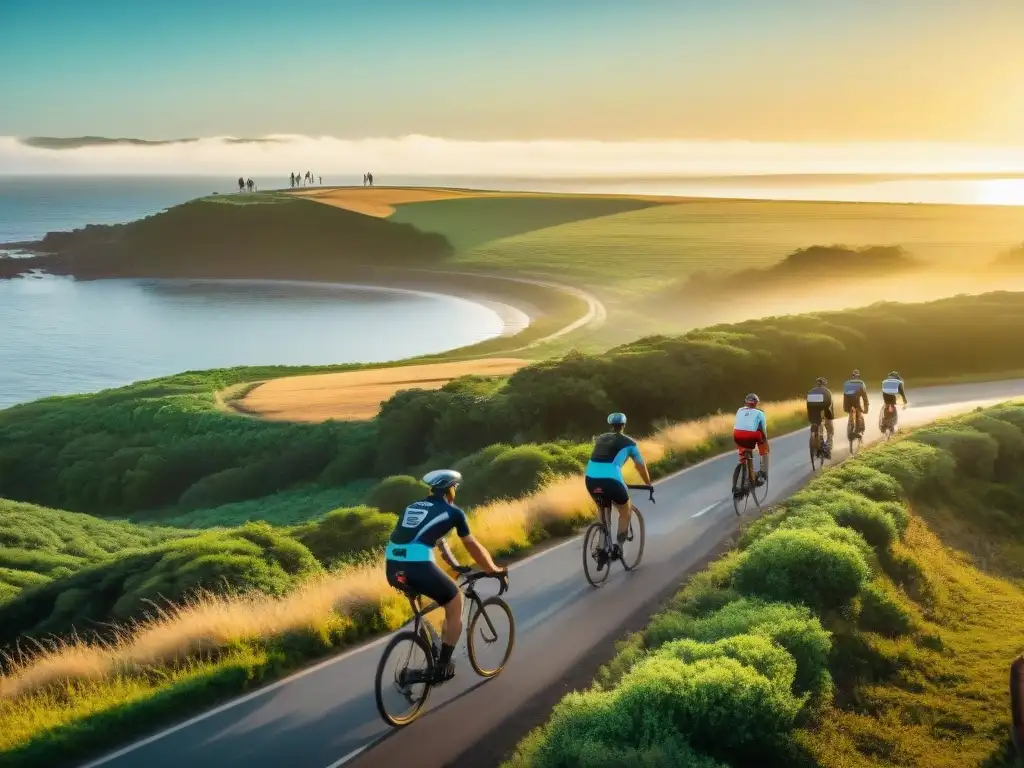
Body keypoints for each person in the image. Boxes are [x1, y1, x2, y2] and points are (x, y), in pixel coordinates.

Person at [384, 469, 508, 683]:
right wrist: (492, 569)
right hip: (417, 564)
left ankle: (430, 645)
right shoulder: (454, 512)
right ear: (449, 489)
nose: (455, 491)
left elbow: (437, 540)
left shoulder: (413, 507)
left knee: (423, 599)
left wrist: (455, 565)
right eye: (455, 487)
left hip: (393, 566)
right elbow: (472, 545)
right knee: (454, 602)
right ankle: (443, 665)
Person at [584, 412, 652, 563]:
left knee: (602, 508)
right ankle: (618, 547)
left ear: (610, 425)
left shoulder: (601, 438)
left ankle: (601, 546)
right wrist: (648, 483)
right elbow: (640, 465)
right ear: (624, 425)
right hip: (612, 480)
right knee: (625, 509)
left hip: (591, 479)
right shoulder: (630, 443)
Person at [733, 393, 770, 485]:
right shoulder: (760, 413)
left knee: (743, 442)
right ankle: (763, 472)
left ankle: (743, 459)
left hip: (737, 434)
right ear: (757, 403)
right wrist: (765, 440)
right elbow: (764, 430)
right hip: (751, 436)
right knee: (763, 445)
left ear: (746, 402)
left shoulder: (739, 410)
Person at [806, 376, 835, 456]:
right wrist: (830, 417)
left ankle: (814, 436)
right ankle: (828, 443)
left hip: (812, 409)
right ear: (824, 384)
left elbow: (808, 405)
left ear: (816, 384)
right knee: (829, 426)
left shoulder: (811, 391)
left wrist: (810, 417)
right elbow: (830, 405)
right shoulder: (827, 391)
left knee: (815, 422)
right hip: (825, 407)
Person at [842, 369, 870, 436]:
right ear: (858, 376)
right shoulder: (861, 383)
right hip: (856, 402)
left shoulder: (847, 383)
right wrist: (866, 408)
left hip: (847, 403)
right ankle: (857, 432)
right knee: (858, 414)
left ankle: (850, 423)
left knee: (851, 412)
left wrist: (845, 407)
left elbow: (845, 395)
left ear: (852, 376)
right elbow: (864, 397)